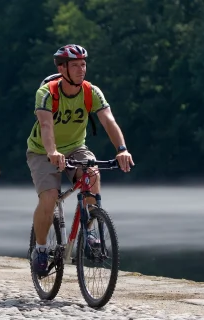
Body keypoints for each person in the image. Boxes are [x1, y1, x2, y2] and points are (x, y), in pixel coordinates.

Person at [26, 44, 134, 276]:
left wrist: (122, 149)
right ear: (62, 68)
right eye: (75, 65)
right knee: (49, 197)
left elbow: (108, 120)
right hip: (42, 151)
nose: (81, 69)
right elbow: (46, 125)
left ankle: (89, 233)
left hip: (76, 147)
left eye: (83, 64)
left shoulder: (91, 92)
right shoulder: (47, 92)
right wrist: (53, 152)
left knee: (92, 173)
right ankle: (41, 248)